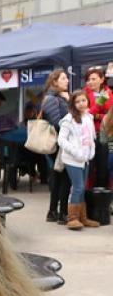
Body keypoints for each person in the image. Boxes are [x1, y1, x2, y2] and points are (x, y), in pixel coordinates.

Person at [59, 90, 98, 230]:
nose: (81, 104)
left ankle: (83, 218)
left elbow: (92, 137)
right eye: (77, 101)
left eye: (83, 100)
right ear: (73, 104)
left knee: (83, 188)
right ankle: (73, 218)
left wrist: (91, 152)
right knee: (78, 187)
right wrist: (76, 152)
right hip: (72, 160)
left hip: (85, 159)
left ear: (87, 101)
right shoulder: (68, 120)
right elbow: (61, 140)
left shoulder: (89, 118)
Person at [42, 69, 72, 224]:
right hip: (59, 144)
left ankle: (53, 211)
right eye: (63, 78)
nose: (67, 80)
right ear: (54, 82)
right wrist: (69, 101)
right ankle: (62, 213)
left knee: (59, 177)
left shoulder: (56, 97)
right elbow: (57, 122)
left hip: (61, 144)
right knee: (64, 178)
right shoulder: (52, 99)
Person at [83, 66, 113, 188]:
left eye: (93, 79)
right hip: (89, 135)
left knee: (104, 168)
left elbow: (111, 115)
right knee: (89, 169)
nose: (90, 82)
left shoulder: (109, 93)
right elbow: (86, 114)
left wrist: (98, 116)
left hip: (105, 134)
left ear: (102, 79)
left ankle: (103, 198)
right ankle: (89, 198)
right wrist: (100, 102)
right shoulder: (83, 94)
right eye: (88, 79)